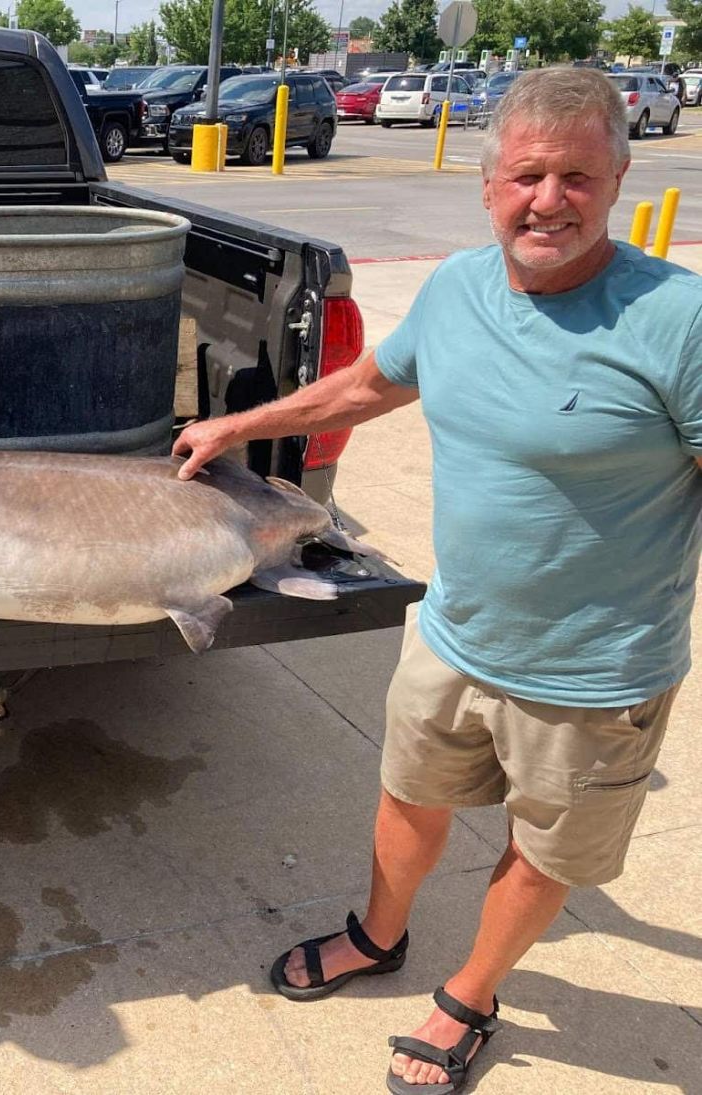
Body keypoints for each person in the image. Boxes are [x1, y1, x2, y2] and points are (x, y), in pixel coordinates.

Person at [175, 67, 702, 1095]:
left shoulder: (676, 320)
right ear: (487, 183)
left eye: (576, 177)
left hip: (591, 670)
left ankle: (467, 995)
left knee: (539, 848)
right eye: (525, 175)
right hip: (453, 631)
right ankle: (377, 937)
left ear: (618, 178)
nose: (546, 200)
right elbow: (373, 383)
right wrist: (239, 426)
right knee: (406, 800)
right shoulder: (459, 286)